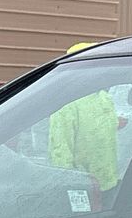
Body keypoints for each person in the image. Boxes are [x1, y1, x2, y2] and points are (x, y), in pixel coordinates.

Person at [47, 44, 121, 202]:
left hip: (110, 183)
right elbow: (61, 151)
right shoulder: (66, 104)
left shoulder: (104, 97)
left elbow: (109, 132)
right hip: (83, 188)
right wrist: (69, 188)